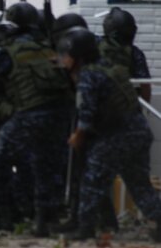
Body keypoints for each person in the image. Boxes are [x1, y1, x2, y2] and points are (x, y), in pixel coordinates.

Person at [0, 2, 72, 236]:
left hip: (29, 113)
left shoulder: (8, 49)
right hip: (60, 116)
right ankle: (44, 221)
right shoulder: (48, 46)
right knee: (46, 166)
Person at [57, 27, 161, 242]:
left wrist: (78, 135)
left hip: (116, 136)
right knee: (140, 186)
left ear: (78, 55)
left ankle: (84, 228)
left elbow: (87, 113)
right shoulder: (108, 68)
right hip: (138, 132)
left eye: (66, 54)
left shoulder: (88, 76)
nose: (62, 59)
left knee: (91, 182)